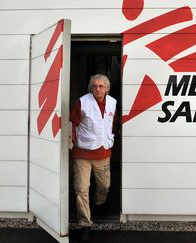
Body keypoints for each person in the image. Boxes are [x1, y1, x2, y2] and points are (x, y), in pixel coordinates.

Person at [70, 74, 117, 241]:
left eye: (101, 86)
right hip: (82, 154)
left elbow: (112, 124)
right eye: (95, 86)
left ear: (107, 88)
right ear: (91, 87)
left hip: (103, 153)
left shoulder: (112, 103)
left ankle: (98, 203)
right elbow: (72, 123)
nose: (97, 89)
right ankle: (85, 224)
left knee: (104, 186)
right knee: (81, 189)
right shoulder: (82, 102)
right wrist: (71, 142)